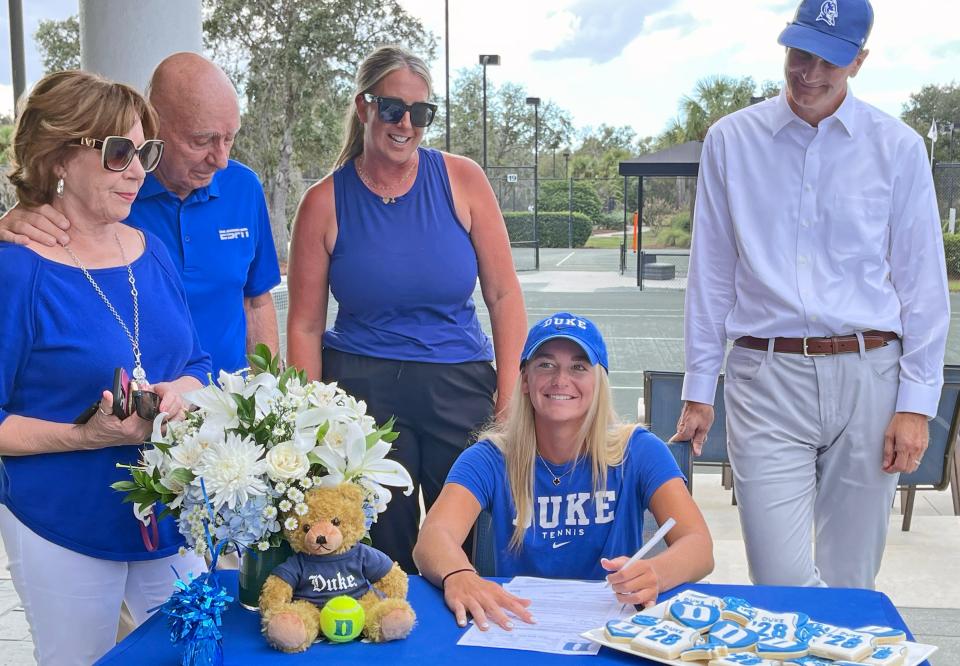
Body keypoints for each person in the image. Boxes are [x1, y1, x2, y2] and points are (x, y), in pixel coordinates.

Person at [673, 0, 949, 589]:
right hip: (764, 376)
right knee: (779, 581)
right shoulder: (732, 141)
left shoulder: (897, 148)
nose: (810, 72)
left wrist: (916, 404)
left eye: (830, 59)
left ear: (860, 60)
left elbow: (922, 284)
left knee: (851, 582)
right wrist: (699, 389)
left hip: (871, 378)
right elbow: (712, 275)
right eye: (800, 53)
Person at [286, 46, 527, 573]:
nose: (406, 124)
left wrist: (508, 395)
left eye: (421, 113)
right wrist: (309, 422)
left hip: (458, 387)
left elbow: (505, 296)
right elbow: (304, 324)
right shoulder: (324, 202)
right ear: (364, 107)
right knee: (378, 556)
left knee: (467, 550)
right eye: (393, 108)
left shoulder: (462, 180)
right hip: (364, 394)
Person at [0, 71, 211, 665]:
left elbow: (195, 361)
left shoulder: (151, 247)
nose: (138, 170)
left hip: (170, 515)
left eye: (145, 152)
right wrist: (82, 435)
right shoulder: (17, 271)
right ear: (59, 155)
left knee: (198, 655)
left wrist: (182, 394)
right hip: (62, 522)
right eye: (119, 152)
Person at [413, 313, 713, 630]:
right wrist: (459, 574)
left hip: (613, 628)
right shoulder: (489, 458)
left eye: (579, 367)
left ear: (599, 383)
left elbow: (699, 545)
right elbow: (433, 537)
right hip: (517, 624)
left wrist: (656, 573)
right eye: (546, 364)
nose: (560, 379)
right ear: (525, 380)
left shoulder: (639, 450)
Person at [0, 52, 281, 377]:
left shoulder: (242, 187)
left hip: (224, 404)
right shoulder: (108, 199)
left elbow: (256, 302)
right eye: (201, 141)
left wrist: (269, 392)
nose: (220, 159)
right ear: (155, 124)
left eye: (230, 138)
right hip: (130, 414)